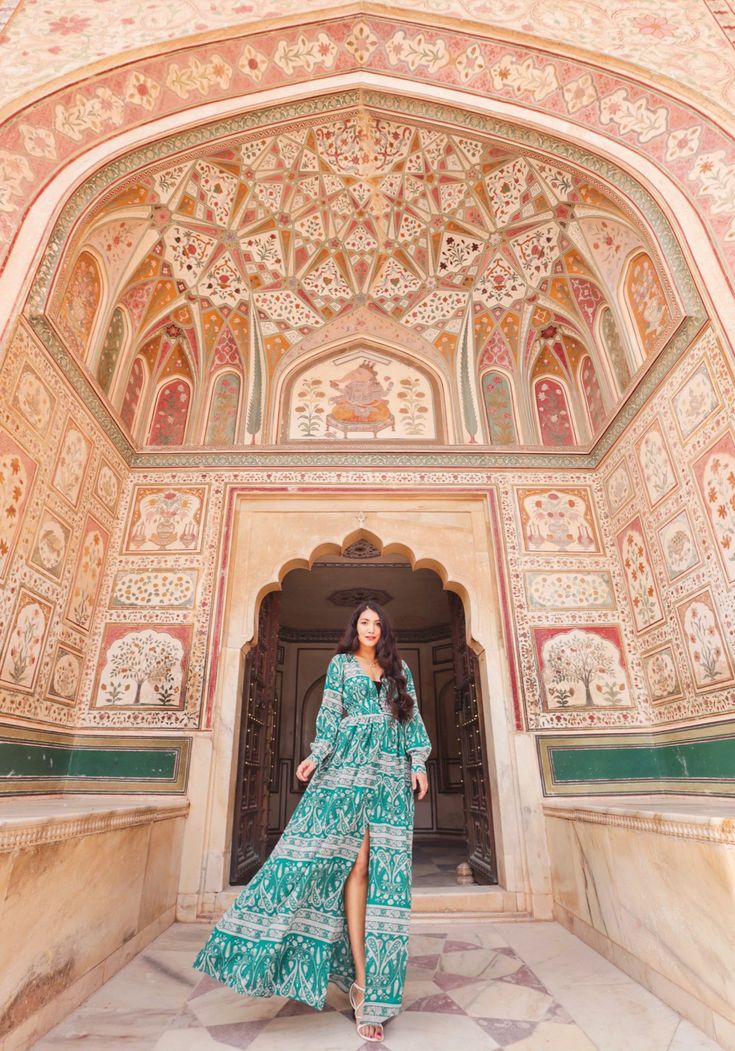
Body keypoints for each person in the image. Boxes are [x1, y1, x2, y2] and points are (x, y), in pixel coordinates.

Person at [193, 601, 431, 1043]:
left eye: (378, 624)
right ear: (354, 627)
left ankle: (372, 986)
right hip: (347, 771)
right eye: (364, 623)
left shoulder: (399, 670)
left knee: (385, 878)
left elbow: (412, 720)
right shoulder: (341, 665)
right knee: (349, 866)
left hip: (390, 779)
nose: (371, 629)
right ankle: (361, 983)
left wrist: (418, 763)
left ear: (385, 630)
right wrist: (315, 756)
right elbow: (329, 718)